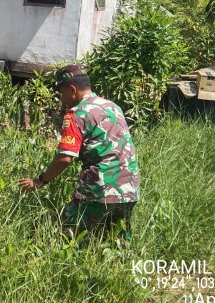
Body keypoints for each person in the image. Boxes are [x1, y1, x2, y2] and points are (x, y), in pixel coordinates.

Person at [18, 63, 139, 241]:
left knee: (65, 236)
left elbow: (65, 158)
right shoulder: (113, 107)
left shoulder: (76, 114)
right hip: (130, 188)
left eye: (62, 93)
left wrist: (41, 181)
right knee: (116, 242)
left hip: (100, 189)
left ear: (72, 90)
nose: (62, 98)